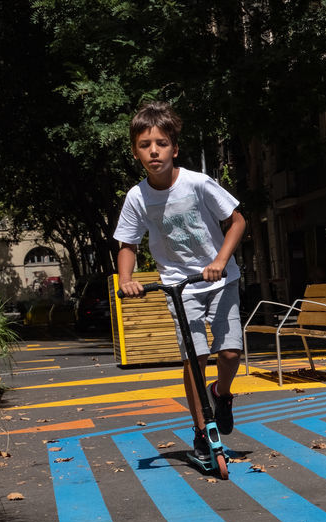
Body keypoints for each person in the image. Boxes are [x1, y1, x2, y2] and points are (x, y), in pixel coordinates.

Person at [114, 102, 247, 467]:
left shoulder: (198, 183)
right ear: (135, 152)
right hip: (179, 285)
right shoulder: (137, 197)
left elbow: (236, 222)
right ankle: (203, 431)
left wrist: (220, 261)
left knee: (231, 352)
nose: (153, 151)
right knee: (195, 357)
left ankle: (221, 393)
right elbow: (128, 244)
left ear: (174, 147)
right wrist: (126, 279)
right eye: (145, 145)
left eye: (160, 143)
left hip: (221, 280)